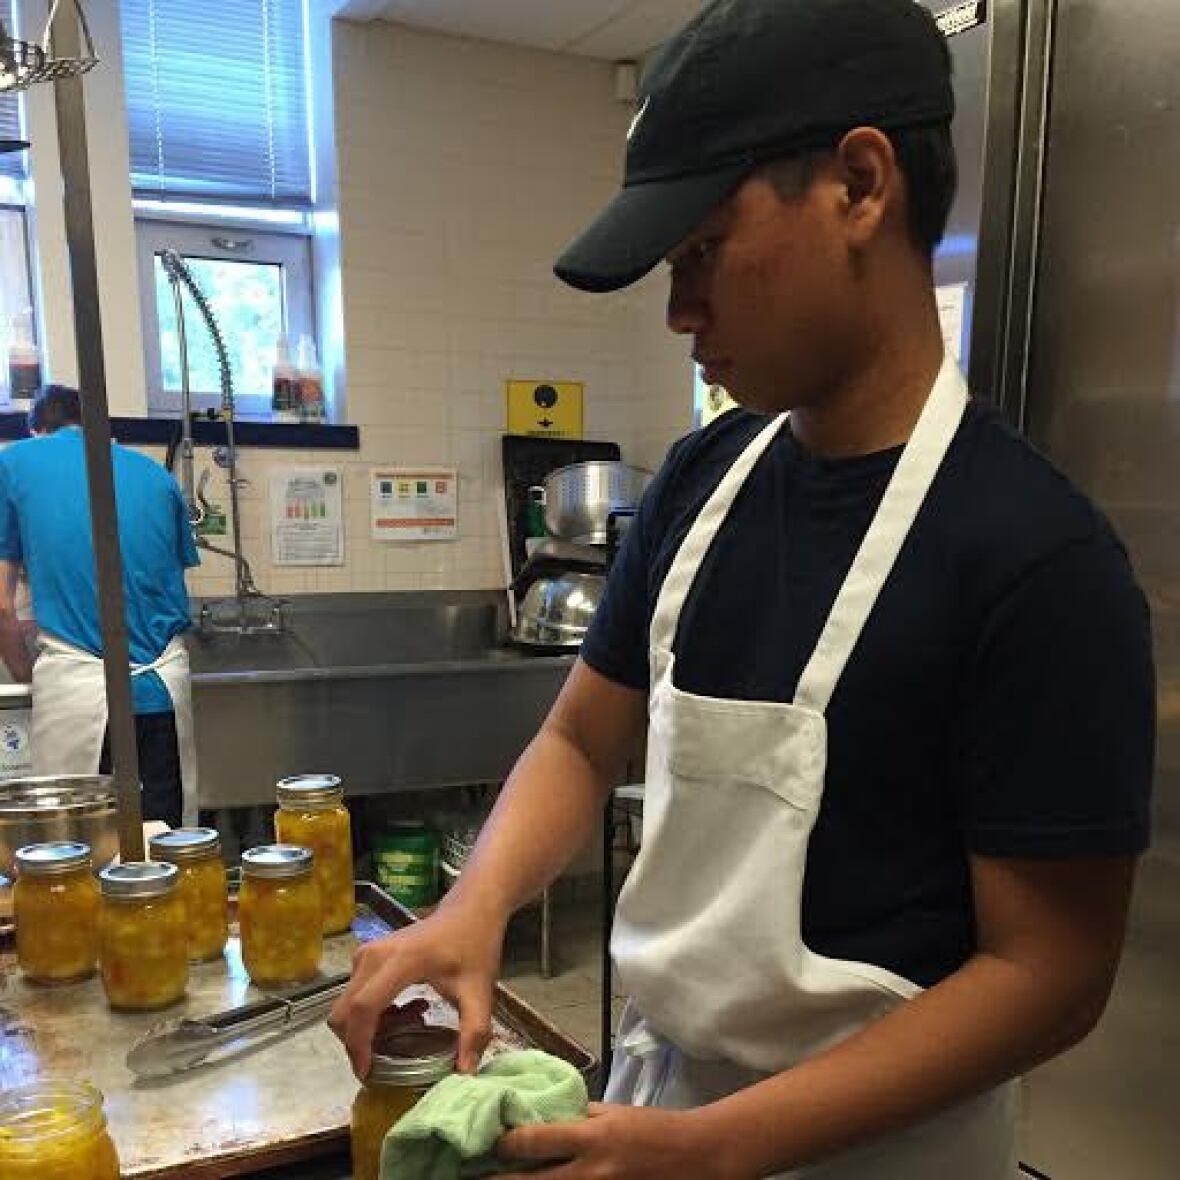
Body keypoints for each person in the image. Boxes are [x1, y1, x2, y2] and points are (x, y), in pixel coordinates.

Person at [330, 2, 1155, 1177]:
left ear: (861, 186)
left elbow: (1050, 976)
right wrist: (475, 905)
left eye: (704, 251)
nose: (678, 312)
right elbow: (579, 735)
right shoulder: (701, 484)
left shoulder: (1036, 562)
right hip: (658, 1114)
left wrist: (716, 1149)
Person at [0, 384, 200, 827]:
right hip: (160, 694)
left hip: (79, 695)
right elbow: (157, 582)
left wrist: (25, 672)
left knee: (78, 851)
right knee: (159, 842)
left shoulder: (12, 463)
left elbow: (2, 606)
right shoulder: (155, 475)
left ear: (37, 431)